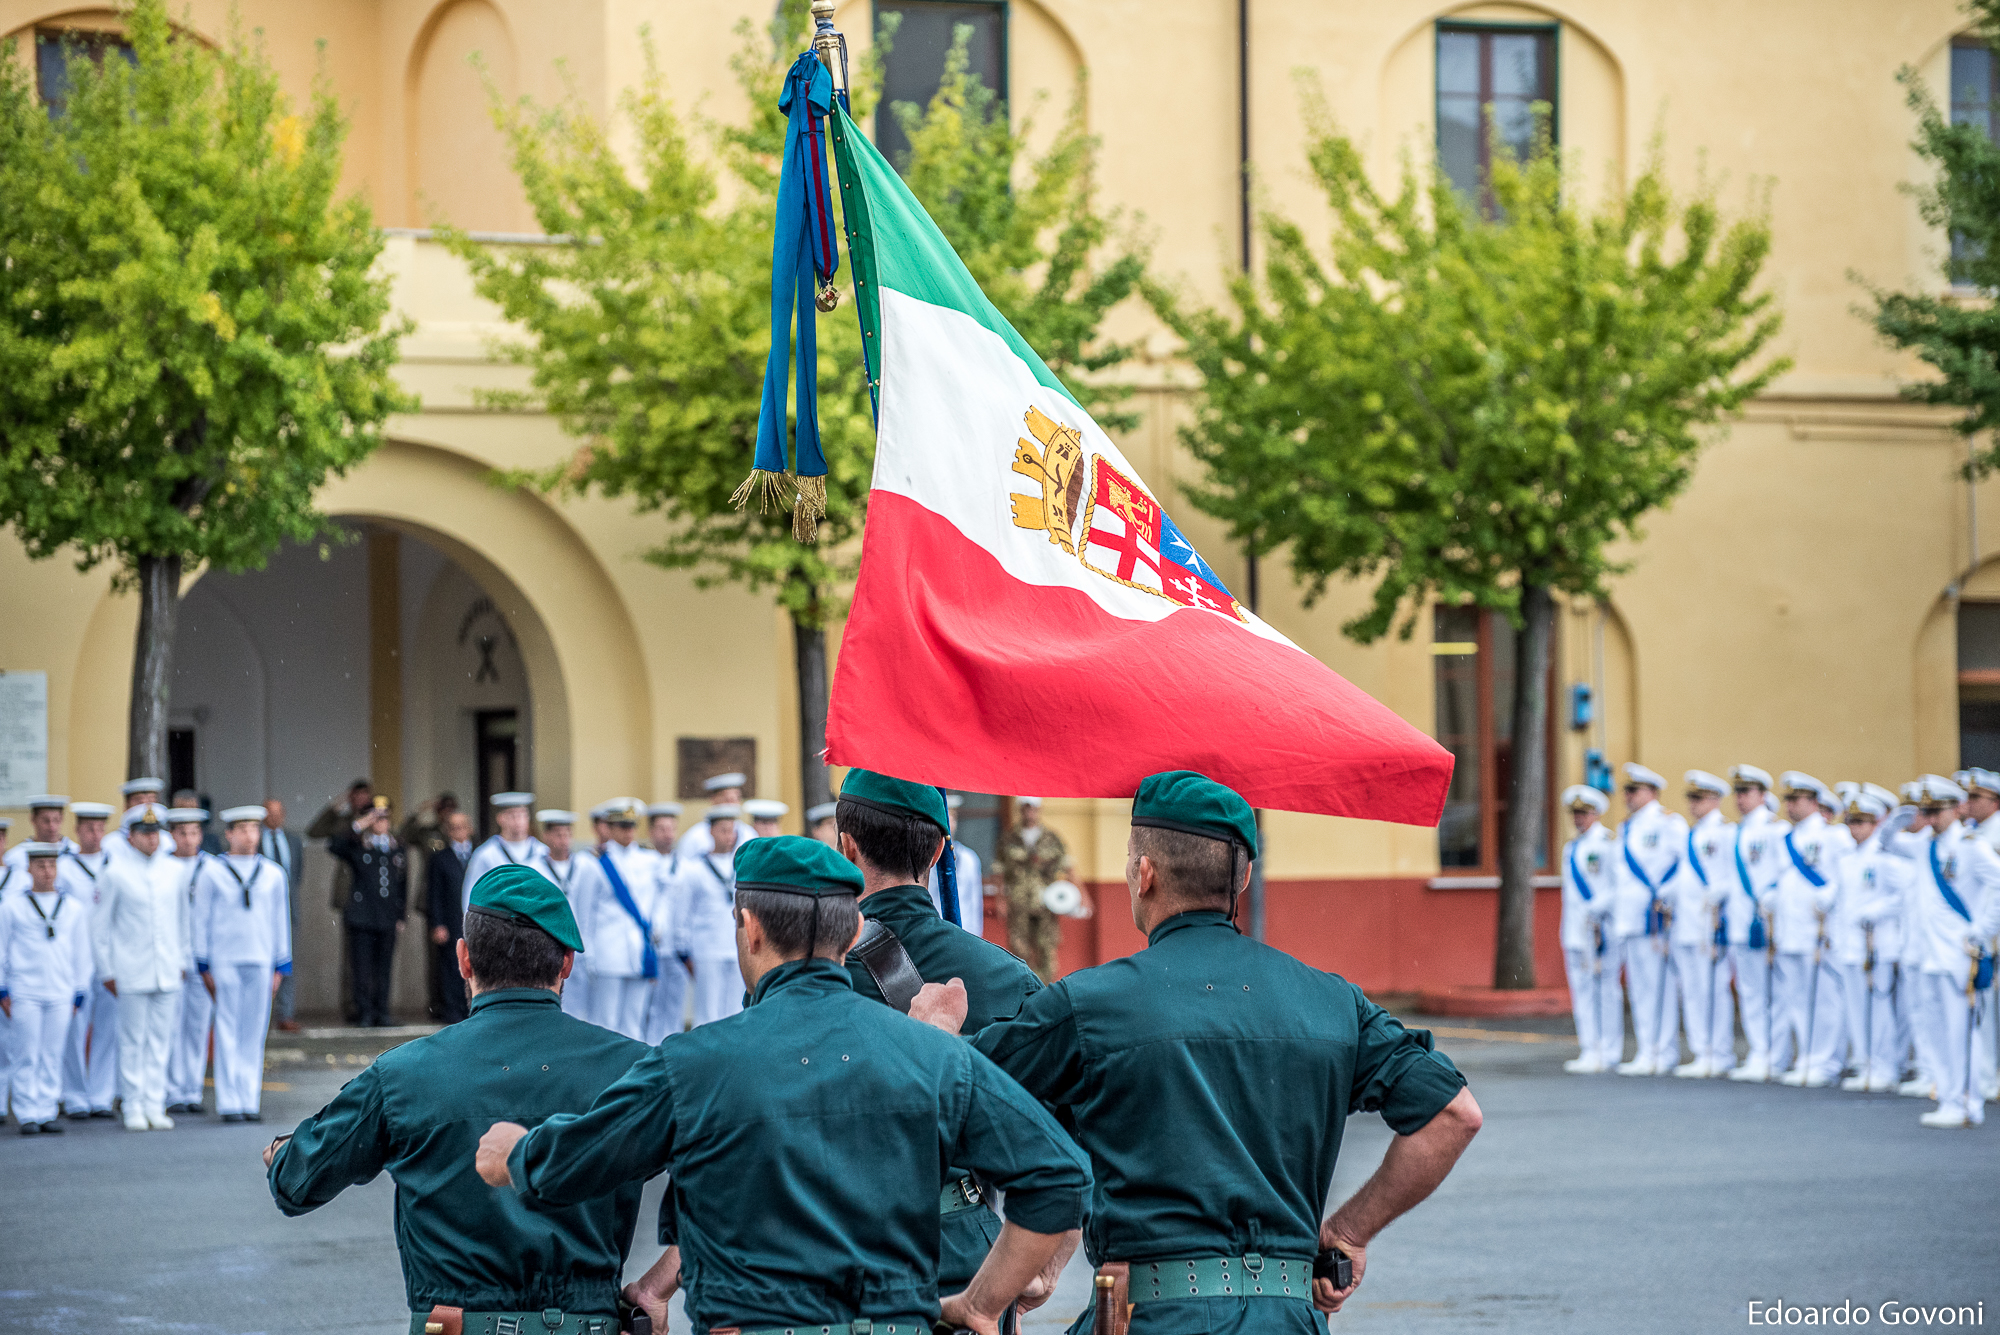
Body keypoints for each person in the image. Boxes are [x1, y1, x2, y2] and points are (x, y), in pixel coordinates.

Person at [473, 836, 1092, 1335]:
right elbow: (1059, 1176)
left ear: (751, 928)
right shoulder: (932, 1056)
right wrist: (981, 1304)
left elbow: (572, 1164)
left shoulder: (693, 1063)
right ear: (850, 934)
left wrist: (513, 1154)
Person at [939, 771, 1480, 1329]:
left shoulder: (1089, 1005)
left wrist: (931, 1035)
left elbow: (951, 1091)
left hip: (1156, 1317)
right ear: (1241, 881)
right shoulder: (1335, 1002)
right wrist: (1348, 1232)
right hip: (1290, 1318)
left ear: (1144, 873)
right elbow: (1454, 1114)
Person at [267, 864, 653, 1332]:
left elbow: (297, 1184)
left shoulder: (403, 1074)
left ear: (464, 960)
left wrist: (284, 1152)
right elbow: (729, 1171)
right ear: (566, 962)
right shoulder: (636, 1068)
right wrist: (658, 1285)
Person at [832, 770, 1048, 1309]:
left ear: (845, 848)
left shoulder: (808, 979)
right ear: (936, 852)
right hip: (964, 1253)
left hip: (836, 1250)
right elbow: (1063, 1140)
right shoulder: (1009, 979)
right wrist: (1038, 1263)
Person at [1879, 775, 2000, 1127]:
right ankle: (1948, 1097)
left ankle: (1967, 1102)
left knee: (1961, 1031)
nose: (1931, 819)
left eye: (1937, 811)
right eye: (1927, 811)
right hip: (1931, 954)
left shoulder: (1970, 845)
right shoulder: (1923, 846)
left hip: (1960, 954)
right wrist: (1899, 819)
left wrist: (1982, 930)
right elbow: (1887, 842)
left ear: (1957, 809)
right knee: (1938, 1031)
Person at [92, 805, 190, 1131]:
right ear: (131, 837)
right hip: (130, 969)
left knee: (161, 1042)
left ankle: (155, 1103)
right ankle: (133, 1105)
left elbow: (183, 921)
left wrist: (182, 961)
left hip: (166, 967)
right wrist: (107, 971)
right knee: (132, 1041)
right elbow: (100, 928)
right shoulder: (115, 872)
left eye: (155, 832)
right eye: (144, 833)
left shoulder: (174, 870)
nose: (151, 839)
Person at [193, 806, 293, 1122]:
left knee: (254, 1031)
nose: (250, 835)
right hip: (225, 958)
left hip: (261, 958)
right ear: (229, 834)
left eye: (254, 829)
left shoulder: (273, 873)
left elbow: (281, 921)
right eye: (243, 829)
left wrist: (281, 966)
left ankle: (249, 1100)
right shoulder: (212, 871)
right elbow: (200, 920)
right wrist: (203, 963)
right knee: (227, 1029)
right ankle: (229, 1102)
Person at [1, 843, 92, 1135]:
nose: (47, 872)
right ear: (29, 868)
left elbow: (81, 953)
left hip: (60, 990)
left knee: (53, 1053)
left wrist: (79, 989)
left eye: (51, 866)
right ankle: (28, 1112)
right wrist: (3, 990)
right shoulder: (11, 906)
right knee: (26, 1053)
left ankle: (47, 1109)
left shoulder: (73, 908)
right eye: (40, 866)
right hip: (24, 990)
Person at [1609, 764, 1688, 1076]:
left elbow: (1685, 865)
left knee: (1660, 987)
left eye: (1634, 790)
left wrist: (1665, 895)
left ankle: (1663, 1050)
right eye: (1627, 790)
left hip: (1654, 917)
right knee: (1640, 989)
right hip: (1630, 917)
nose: (1628, 796)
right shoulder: (1627, 828)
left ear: (1652, 792)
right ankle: (1647, 1048)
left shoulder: (1668, 823)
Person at [1771, 772, 1848, 1087]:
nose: (1790, 805)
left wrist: (1828, 897)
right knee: (1798, 999)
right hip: (1791, 929)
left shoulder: (1833, 836)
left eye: (1796, 799)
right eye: (1788, 799)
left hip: (1819, 931)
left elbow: (1844, 877)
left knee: (1825, 1000)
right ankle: (1807, 1056)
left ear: (1814, 802)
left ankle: (1826, 1060)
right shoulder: (1786, 839)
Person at [1830, 787, 1908, 1093]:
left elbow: (1901, 896)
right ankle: (1866, 1063)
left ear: (1876, 822)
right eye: (1851, 821)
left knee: (1878, 1009)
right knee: (1856, 1008)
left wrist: (1873, 911)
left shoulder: (1884, 856)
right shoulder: (1847, 857)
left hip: (1878, 943)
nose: (1854, 828)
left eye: (1860, 822)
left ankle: (1885, 1066)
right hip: (1850, 944)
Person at [1672, 771, 1737, 1078]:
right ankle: (1702, 1050)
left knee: (1714, 990)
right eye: (1690, 798)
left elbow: (1731, 876)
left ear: (1715, 800)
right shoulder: (1691, 833)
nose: (1691, 804)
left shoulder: (1725, 832)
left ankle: (1719, 1052)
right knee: (1693, 991)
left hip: (1710, 923)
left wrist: (1719, 893)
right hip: (1686, 923)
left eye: (1697, 798)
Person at [327, 797, 409, 1029]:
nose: (380, 821)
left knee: (384, 968)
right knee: (361, 968)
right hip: (361, 916)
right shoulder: (358, 843)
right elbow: (334, 845)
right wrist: (360, 824)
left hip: (387, 916)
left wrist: (400, 915)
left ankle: (382, 1012)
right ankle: (364, 1012)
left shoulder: (396, 846)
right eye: (376, 816)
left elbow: (403, 882)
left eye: (384, 817)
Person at [58, 800, 116, 1118]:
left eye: (100, 828)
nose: (95, 834)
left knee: (108, 1028)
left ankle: (102, 1095)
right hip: (77, 957)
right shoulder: (64, 868)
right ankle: (75, 1095)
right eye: (88, 828)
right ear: (78, 830)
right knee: (75, 1028)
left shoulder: (116, 863)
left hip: (109, 955)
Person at [586, 799, 659, 1040]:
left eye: (631, 826)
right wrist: (589, 953)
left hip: (640, 950)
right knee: (605, 1022)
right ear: (610, 828)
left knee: (635, 1022)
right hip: (609, 950)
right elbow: (585, 911)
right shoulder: (595, 863)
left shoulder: (650, 860)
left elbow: (658, 901)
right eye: (622, 826)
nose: (628, 832)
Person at [1558, 785, 1618, 1074]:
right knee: (1582, 992)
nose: (1578, 819)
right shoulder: (1571, 848)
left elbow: (1617, 887)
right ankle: (1589, 1047)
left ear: (1595, 813)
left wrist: (1597, 907)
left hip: (1601, 929)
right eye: (1575, 814)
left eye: (1583, 813)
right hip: (1576, 930)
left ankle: (1609, 1049)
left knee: (1606, 990)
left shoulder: (1607, 844)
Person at [163, 810, 216, 1115]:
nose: (189, 839)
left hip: (203, 957)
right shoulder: (163, 866)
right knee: (171, 1026)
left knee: (197, 1027)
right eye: (182, 833)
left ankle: (191, 1089)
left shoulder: (212, 866)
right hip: (172, 956)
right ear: (172, 835)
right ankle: (171, 1091)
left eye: (194, 832)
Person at [536, 809, 605, 1024]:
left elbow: (600, 906)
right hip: (549, 945)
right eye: (557, 834)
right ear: (546, 837)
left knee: (586, 1010)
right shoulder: (535, 867)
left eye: (567, 834)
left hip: (583, 946)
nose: (563, 839)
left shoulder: (588, 866)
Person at [679, 804, 745, 1026]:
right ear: (711, 832)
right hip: (706, 948)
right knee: (708, 1012)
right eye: (724, 830)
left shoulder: (740, 865)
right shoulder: (694, 868)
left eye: (732, 830)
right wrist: (684, 948)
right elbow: (684, 912)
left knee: (735, 1009)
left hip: (735, 946)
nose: (729, 836)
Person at [998, 797, 1069, 982]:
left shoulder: (1051, 838)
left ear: (1039, 810)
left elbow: (1067, 866)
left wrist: (1078, 896)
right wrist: (1000, 899)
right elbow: (999, 870)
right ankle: (1024, 990)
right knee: (1019, 950)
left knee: (1046, 948)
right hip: (1018, 902)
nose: (1029, 813)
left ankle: (1047, 992)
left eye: (1033, 808)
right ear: (1020, 810)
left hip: (1046, 903)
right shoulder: (1009, 838)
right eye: (1025, 808)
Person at [642, 802, 689, 1040]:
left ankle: (671, 1049)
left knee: (674, 1005)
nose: (668, 834)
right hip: (650, 948)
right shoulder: (642, 863)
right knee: (649, 1008)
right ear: (651, 831)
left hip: (676, 949)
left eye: (671, 828)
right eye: (661, 828)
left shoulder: (686, 865)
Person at [462, 793, 548, 917]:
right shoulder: (486, 854)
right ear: (500, 819)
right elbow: (472, 893)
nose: (518, 821)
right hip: (499, 921)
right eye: (512, 816)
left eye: (522, 815)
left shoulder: (542, 852)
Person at [259, 800, 304, 1033]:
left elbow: (296, 876)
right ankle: (261, 1016)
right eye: (269, 813)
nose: (274, 818)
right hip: (259, 913)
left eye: (278, 813)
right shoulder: (255, 839)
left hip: (288, 910)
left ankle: (285, 1014)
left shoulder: (294, 841)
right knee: (261, 965)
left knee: (286, 963)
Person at [426, 809, 475, 1024]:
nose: (459, 831)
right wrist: (437, 924)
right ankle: (453, 1011)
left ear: (470, 828)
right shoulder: (440, 858)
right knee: (452, 966)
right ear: (447, 831)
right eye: (454, 827)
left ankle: (472, 1009)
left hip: (477, 922)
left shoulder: (480, 855)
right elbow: (434, 894)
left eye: (462, 826)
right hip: (451, 920)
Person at [927, 794, 986, 936]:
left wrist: (976, 939)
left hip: (964, 934)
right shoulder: (924, 858)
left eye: (952, 817)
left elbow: (975, 904)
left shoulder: (969, 859)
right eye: (945, 817)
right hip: (932, 934)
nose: (949, 823)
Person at [674, 773, 756, 856]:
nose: (732, 806)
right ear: (713, 799)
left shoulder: (748, 834)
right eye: (727, 800)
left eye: (735, 799)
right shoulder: (695, 836)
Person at [2, 795, 73, 871]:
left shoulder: (74, 852)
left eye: (56, 820)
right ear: (33, 819)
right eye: (46, 821)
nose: (52, 826)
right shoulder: (16, 857)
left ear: (62, 819)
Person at [103, 778, 166, 860]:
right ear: (126, 805)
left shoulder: (167, 840)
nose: (145, 807)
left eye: (150, 801)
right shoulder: (112, 843)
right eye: (139, 802)